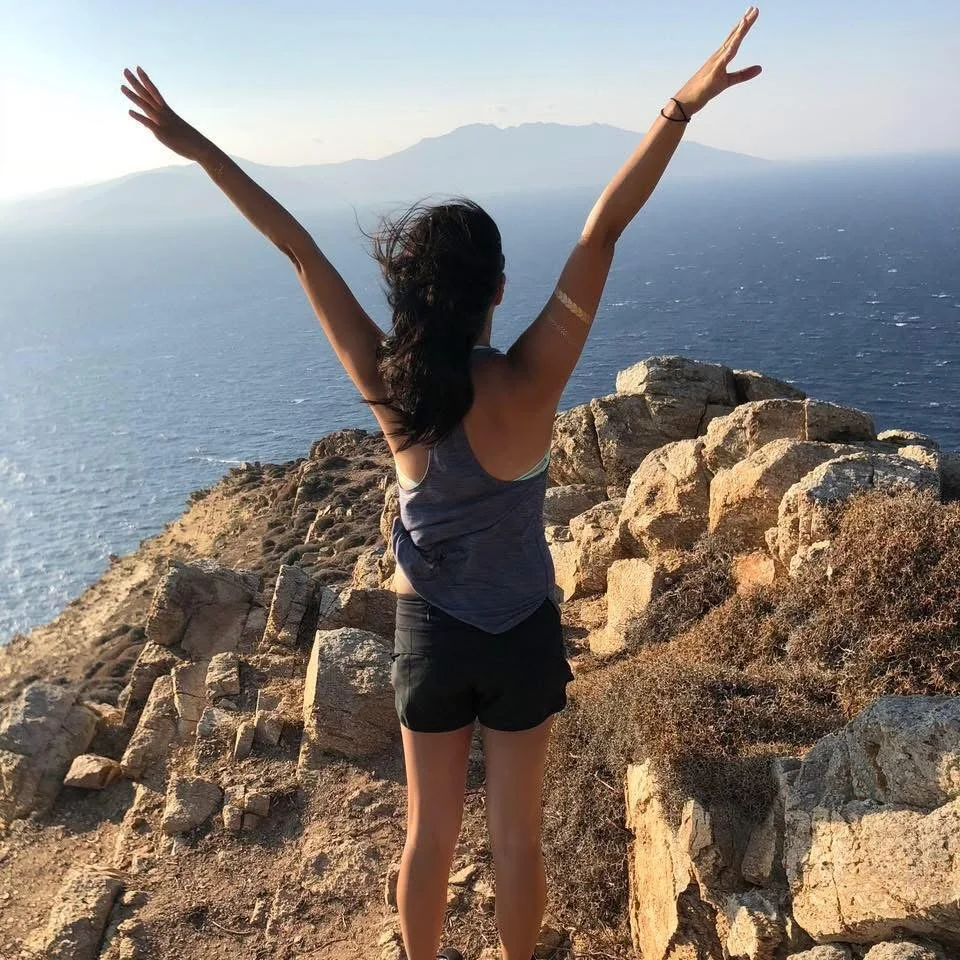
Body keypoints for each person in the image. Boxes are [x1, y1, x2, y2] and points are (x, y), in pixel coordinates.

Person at [121, 9, 760, 958]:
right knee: (516, 841)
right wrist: (680, 105)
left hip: (428, 637)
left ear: (411, 295)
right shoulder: (534, 377)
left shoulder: (390, 388)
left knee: (429, 835)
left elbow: (298, 247)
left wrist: (194, 145)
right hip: (523, 638)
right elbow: (604, 230)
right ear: (498, 290)